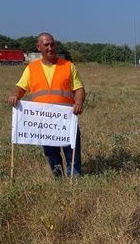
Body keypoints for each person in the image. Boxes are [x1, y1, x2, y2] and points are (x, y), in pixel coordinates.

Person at [8, 32, 85, 178]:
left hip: (66, 120)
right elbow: (20, 88)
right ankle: (59, 178)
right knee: (51, 153)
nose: (50, 48)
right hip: (44, 123)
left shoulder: (68, 66)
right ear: (39, 47)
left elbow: (79, 89)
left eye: (52, 44)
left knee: (72, 151)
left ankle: (74, 179)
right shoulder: (32, 68)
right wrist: (14, 96)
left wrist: (79, 102)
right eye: (46, 45)